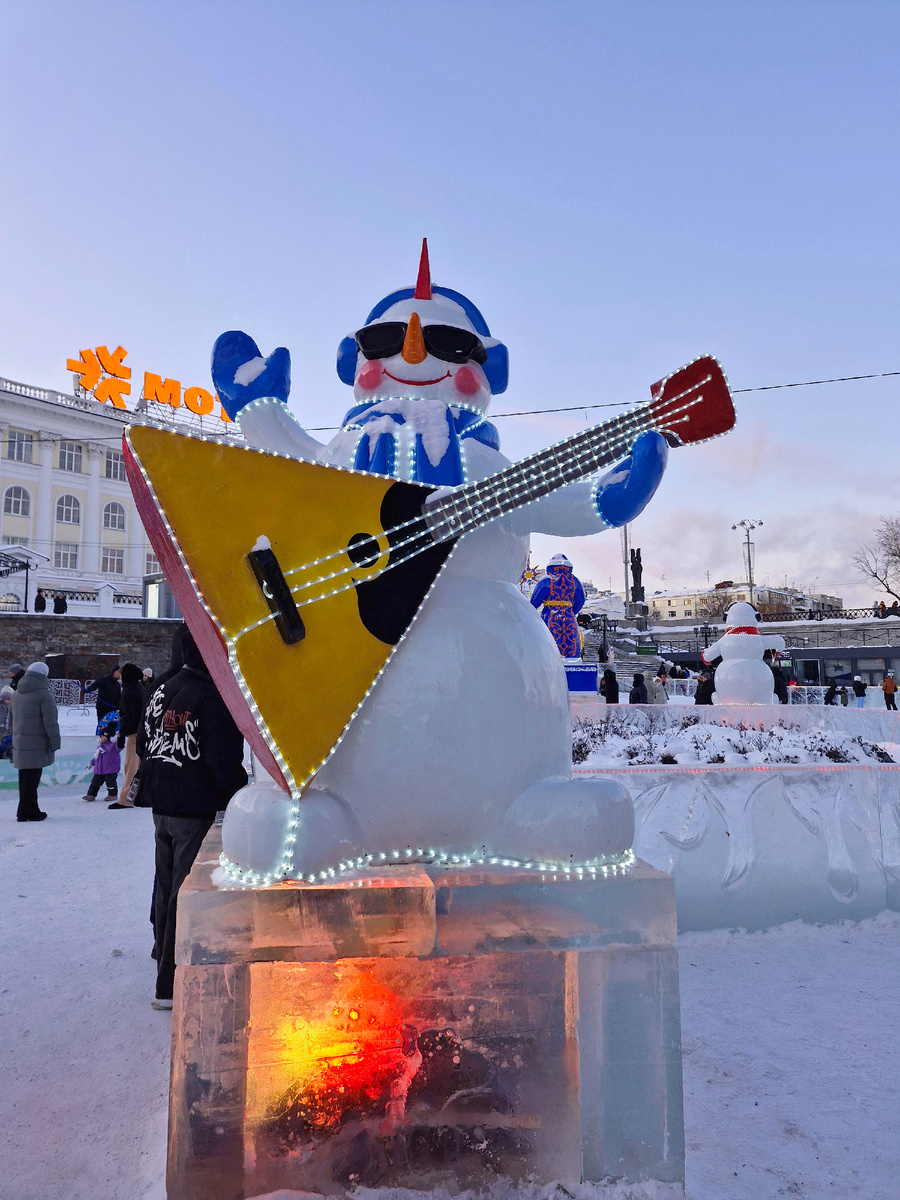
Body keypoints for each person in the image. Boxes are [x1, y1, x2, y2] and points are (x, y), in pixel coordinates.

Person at [137, 627, 246, 1009]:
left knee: (167, 890)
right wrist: (241, 791)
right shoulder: (212, 697)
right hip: (194, 807)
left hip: (161, 806)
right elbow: (223, 763)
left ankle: (160, 959)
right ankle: (169, 984)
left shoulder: (162, 689)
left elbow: (142, 743)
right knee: (186, 895)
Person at [9, 662, 60, 822]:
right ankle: (27, 812)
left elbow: (11, 720)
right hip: (37, 744)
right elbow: (50, 722)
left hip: (20, 742)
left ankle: (27, 810)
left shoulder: (16, 693)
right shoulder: (44, 694)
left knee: (24, 777)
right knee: (32, 779)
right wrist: (54, 741)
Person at [110, 663, 145, 809]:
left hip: (134, 734)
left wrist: (121, 735)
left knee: (131, 766)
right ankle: (140, 797)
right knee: (138, 766)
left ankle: (125, 798)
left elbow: (128, 715)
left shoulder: (129, 691)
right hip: (143, 732)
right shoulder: (140, 689)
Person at [83, 731, 121, 801]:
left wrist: (119, 738)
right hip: (99, 770)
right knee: (95, 783)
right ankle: (91, 794)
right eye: (101, 736)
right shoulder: (100, 746)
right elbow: (96, 757)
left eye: (104, 736)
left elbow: (120, 747)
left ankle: (112, 794)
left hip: (110, 769)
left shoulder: (113, 746)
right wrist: (91, 764)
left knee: (110, 784)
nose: (102, 738)